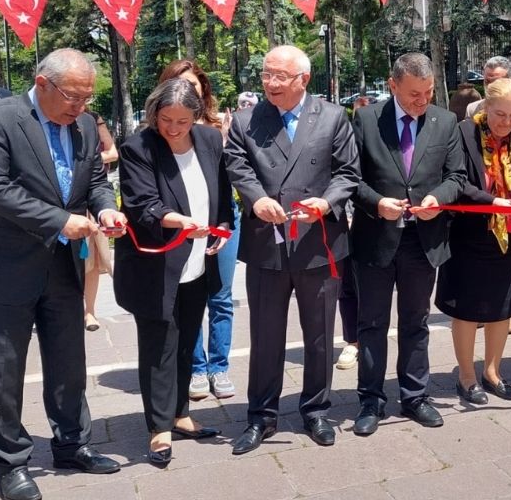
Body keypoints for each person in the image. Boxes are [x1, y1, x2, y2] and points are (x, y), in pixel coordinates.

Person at [0, 48, 128, 500]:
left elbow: (93, 182)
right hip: (3, 264)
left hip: (63, 263)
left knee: (70, 361)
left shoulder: (85, 125)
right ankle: (11, 463)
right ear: (43, 83)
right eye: (74, 96)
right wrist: (57, 220)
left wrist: (106, 210)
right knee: (2, 371)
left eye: (88, 98)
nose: (81, 107)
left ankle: (72, 443)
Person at [224, 45, 359, 453]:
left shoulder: (333, 116)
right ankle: (260, 416)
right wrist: (253, 196)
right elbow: (236, 162)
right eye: (266, 74)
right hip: (267, 244)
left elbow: (348, 171)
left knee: (319, 335)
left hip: (318, 243)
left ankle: (316, 410)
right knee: (265, 336)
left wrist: (327, 201)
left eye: (280, 76)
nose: (271, 83)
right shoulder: (247, 120)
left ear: (304, 78)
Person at [115, 79, 233, 466]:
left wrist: (222, 225)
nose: (174, 128)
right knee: (159, 345)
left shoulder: (209, 140)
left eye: (183, 121)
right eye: (166, 119)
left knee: (186, 340)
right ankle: (158, 427)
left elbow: (221, 187)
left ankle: (181, 413)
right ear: (154, 114)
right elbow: (141, 202)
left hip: (198, 258)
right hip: (157, 264)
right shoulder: (139, 147)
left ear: (196, 116)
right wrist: (177, 220)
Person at [349, 52, 464, 435]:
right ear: (393, 84)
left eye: (428, 92)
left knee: (416, 321)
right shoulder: (366, 119)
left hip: (422, 239)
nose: (422, 100)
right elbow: (350, 178)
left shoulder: (445, 121)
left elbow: (456, 176)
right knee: (372, 323)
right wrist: (376, 203)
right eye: (414, 93)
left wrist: (439, 199)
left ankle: (415, 396)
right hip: (376, 238)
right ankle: (370, 399)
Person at [437, 77, 511, 403]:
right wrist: (492, 201)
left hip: (508, 236)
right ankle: (467, 376)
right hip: (469, 236)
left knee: (502, 308)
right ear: (485, 106)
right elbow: (455, 181)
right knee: (468, 309)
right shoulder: (463, 133)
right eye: (500, 114)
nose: (507, 122)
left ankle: (492, 372)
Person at [155, 60, 240, 401]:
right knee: (189, 298)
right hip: (182, 222)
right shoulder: (163, 129)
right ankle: (197, 367)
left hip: (220, 217)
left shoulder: (219, 126)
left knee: (221, 297)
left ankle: (219, 367)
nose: (188, 91)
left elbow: (231, 177)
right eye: (180, 84)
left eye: (194, 85)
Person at [464, 56, 511, 334]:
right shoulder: (470, 118)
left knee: (506, 289)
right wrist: (492, 199)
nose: (507, 121)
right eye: (488, 80)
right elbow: (463, 171)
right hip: (478, 218)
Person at [82, 111, 118, 333]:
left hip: (93, 200)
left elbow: (112, 153)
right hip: (64, 204)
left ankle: (90, 311)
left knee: (94, 261)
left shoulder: (94, 119)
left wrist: (87, 161)